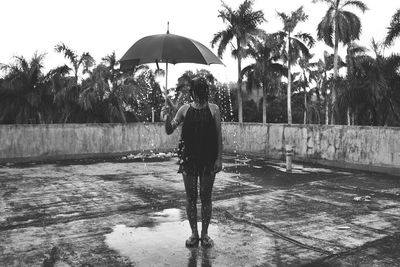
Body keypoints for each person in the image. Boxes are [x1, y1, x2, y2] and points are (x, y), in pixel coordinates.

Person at [162, 77, 222, 247]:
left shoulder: (214, 109)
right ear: (193, 92)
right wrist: (167, 117)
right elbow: (169, 129)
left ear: (206, 92)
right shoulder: (183, 110)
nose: (201, 95)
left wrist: (219, 159)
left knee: (206, 198)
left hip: (208, 159)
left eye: (204, 91)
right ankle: (194, 234)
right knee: (191, 197)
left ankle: (205, 234)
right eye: (198, 91)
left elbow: (218, 135)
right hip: (188, 159)